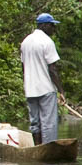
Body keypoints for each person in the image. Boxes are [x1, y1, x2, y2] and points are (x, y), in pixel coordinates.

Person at [21, 13, 64, 145]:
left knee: (35, 123)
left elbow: (23, 67)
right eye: (52, 26)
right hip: (46, 89)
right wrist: (61, 91)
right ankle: (49, 150)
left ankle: (38, 149)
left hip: (30, 89)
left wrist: (27, 83)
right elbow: (52, 69)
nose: (53, 29)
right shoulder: (47, 42)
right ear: (44, 26)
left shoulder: (25, 42)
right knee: (49, 124)